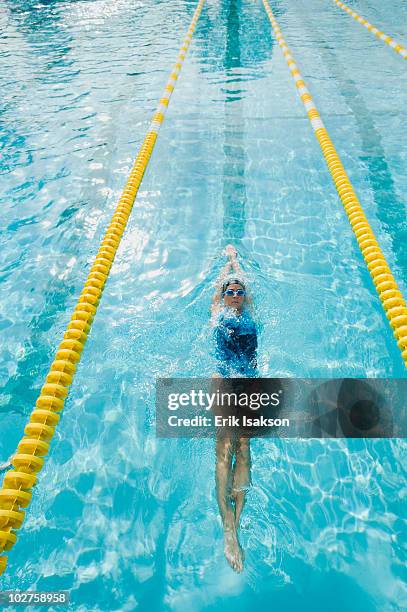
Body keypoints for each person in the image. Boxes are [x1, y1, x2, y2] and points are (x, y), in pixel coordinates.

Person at [210, 244, 258, 573]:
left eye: (240, 291)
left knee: (244, 446)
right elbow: (220, 285)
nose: (236, 293)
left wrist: (237, 266)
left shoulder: (249, 313)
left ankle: (236, 522)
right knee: (225, 445)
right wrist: (230, 263)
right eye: (231, 290)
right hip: (223, 379)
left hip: (248, 380)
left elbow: (245, 286)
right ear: (224, 294)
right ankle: (227, 528)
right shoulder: (217, 311)